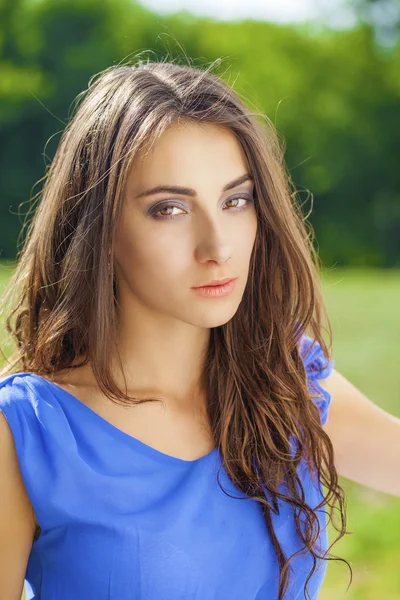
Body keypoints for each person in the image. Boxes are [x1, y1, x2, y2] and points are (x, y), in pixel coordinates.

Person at [1, 57, 398, 600]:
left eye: (236, 200)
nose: (219, 248)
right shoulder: (29, 432)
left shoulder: (284, 376)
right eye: (169, 209)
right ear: (100, 228)